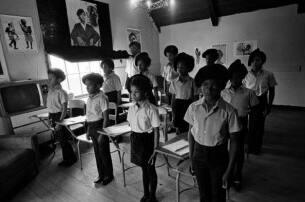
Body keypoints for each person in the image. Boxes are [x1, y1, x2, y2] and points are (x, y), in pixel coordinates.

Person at [185, 64, 241, 202]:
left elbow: (234, 142)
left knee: (218, 195)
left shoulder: (229, 111)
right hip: (199, 155)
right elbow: (191, 134)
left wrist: (229, 170)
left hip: (219, 157)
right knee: (203, 193)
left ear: (221, 86)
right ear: (200, 86)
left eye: (214, 85)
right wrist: (191, 158)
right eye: (205, 84)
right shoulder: (193, 108)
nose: (209, 89)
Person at [221, 59, 259, 190]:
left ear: (243, 77)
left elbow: (254, 114)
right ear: (229, 77)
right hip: (224, 123)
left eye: (239, 76)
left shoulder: (249, 93)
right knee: (224, 150)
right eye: (233, 76)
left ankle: (238, 175)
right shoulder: (223, 93)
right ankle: (228, 173)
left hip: (241, 123)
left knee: (238, 151)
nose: (236, 79)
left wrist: (250, 135)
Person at [127, 74, 160, 202]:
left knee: (150, 169)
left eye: (136, 92)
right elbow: (131, 124)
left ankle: (152, 196)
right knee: (143, 169)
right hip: (136, 139)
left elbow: (156, 130)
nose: (132, 95)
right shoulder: (131, 108)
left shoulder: (151, 109)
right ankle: (146, 193)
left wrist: (155, 149)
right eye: (131, 92)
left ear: (145, 93)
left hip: (147, 141)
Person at [243, 49, 277, 154]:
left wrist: (269, 106)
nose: (255, 63)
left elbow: (272, 91)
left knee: (259, 126)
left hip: (261, 101)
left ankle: (257, 148)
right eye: (253, 60)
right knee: (248, 126)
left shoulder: (268, 74)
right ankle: (249, 146)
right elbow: (243, 90)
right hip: (248, 100)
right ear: (250, 62)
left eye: (258, 60)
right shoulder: (246, 75)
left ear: (262, 61)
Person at [82, 73, 114, 185]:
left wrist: (102, 133)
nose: (87, 87)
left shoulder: (102, 97)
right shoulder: (89, 99)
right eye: (86, 85)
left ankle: (109, 175)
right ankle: (101, 174)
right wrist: (87, 131)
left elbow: (106, 118)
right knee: (97, 153)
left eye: (89, 85)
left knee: (104, 153)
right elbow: (88, 116)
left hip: (101, 127)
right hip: (91, 127)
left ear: (98, 85)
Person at [47, 68, 77, 167]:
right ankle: (66, 159)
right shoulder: (50, 91)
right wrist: (49, 118)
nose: (49, 80)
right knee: (61, 140)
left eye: (51, 78)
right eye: (48, 78)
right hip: (53, 116)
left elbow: (64, 109)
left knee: (64, 140)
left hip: (61, 116)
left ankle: (72, 159)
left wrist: (60, 122)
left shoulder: (62, 92)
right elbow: (50, 107)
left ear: (59, 80)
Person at [170, 52, 196, 134]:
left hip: (188, 106)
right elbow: (173, 98)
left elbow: (195, 98)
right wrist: (173, 114)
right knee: (179, 128)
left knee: (188, 128)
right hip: (177, 106)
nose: (179, 69)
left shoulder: (192, 81)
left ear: (188, 68)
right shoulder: (174, 82)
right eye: (178, 67)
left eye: (182, 67)